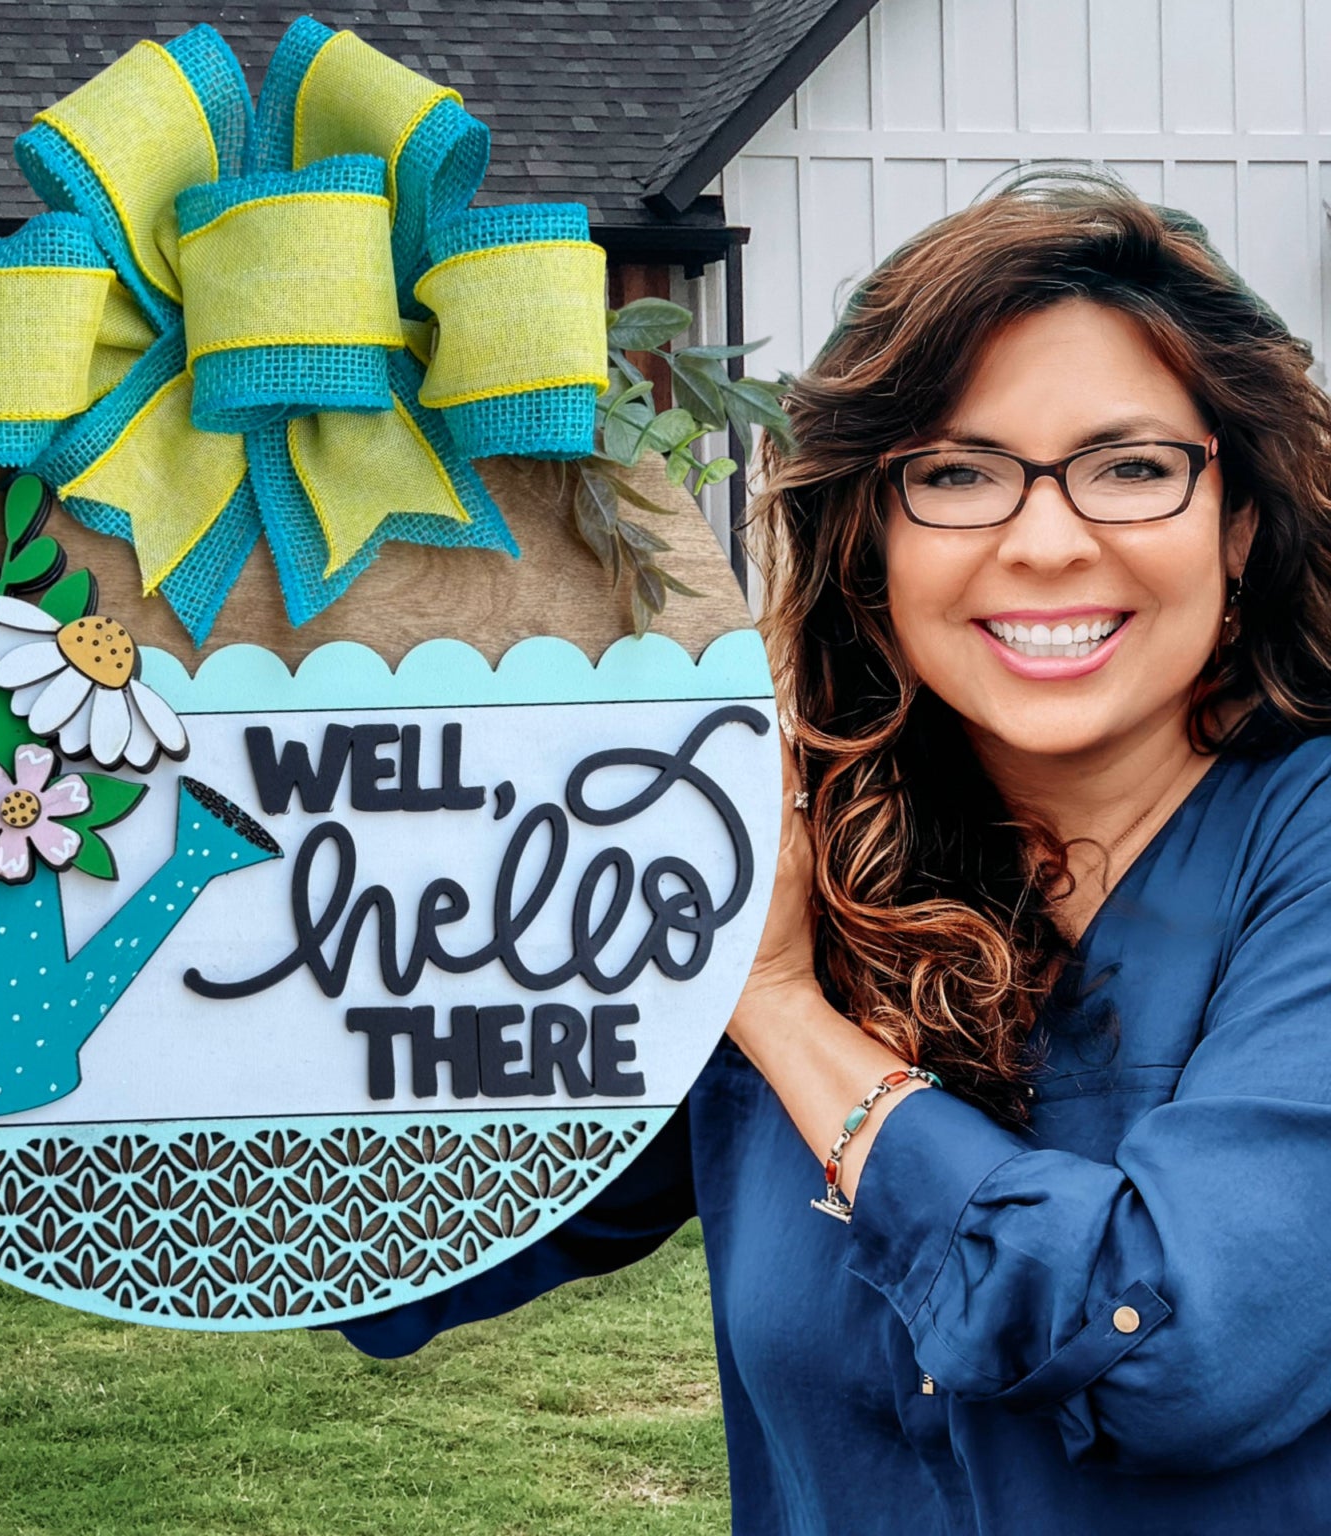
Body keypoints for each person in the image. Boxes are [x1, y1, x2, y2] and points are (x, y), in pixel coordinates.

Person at [334, 169, 1331, 1532]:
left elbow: (1177, 1350)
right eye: (958, 474)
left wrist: (783, 1011)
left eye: (1134, 467)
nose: (1047, 541)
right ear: (870, 540)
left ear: (1241, 522)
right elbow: (410, 1251)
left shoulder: (1301, 853)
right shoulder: (793, 853)